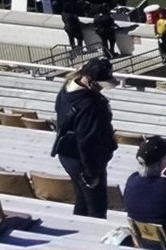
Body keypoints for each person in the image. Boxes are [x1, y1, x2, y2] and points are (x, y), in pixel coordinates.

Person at [51, 57, 117, 218]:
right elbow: (88, 141)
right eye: (100, 85)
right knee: (97, 207)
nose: (102, 89)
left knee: (82, 199)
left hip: (67, 155)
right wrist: (91, 174)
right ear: (89, 80)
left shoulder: (66, 89)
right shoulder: (90, 104)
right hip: (84, 160)